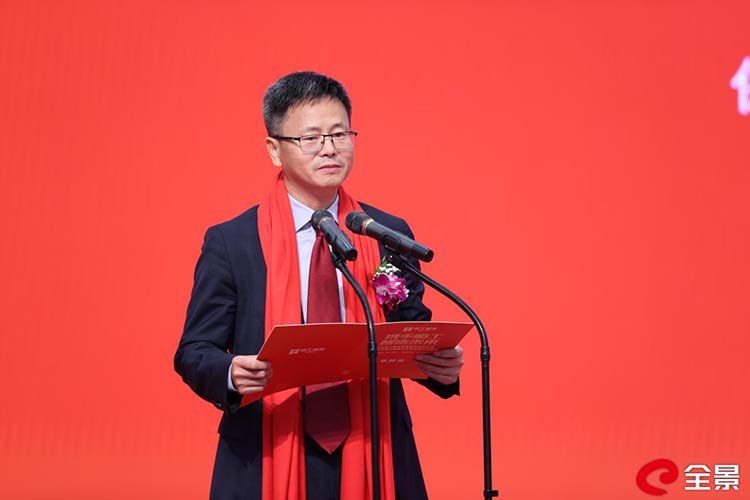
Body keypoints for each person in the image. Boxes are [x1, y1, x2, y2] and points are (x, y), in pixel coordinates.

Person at [174, 71, 464, 500]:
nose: (329, 148)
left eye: (339, 134)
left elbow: (409, 330)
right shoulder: (232, 242)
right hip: (267, 445)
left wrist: (438, 364)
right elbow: (194, 351)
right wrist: (229, 372)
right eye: (311, 138)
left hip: (373, 444)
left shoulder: (383, 233)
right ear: (274, 149)